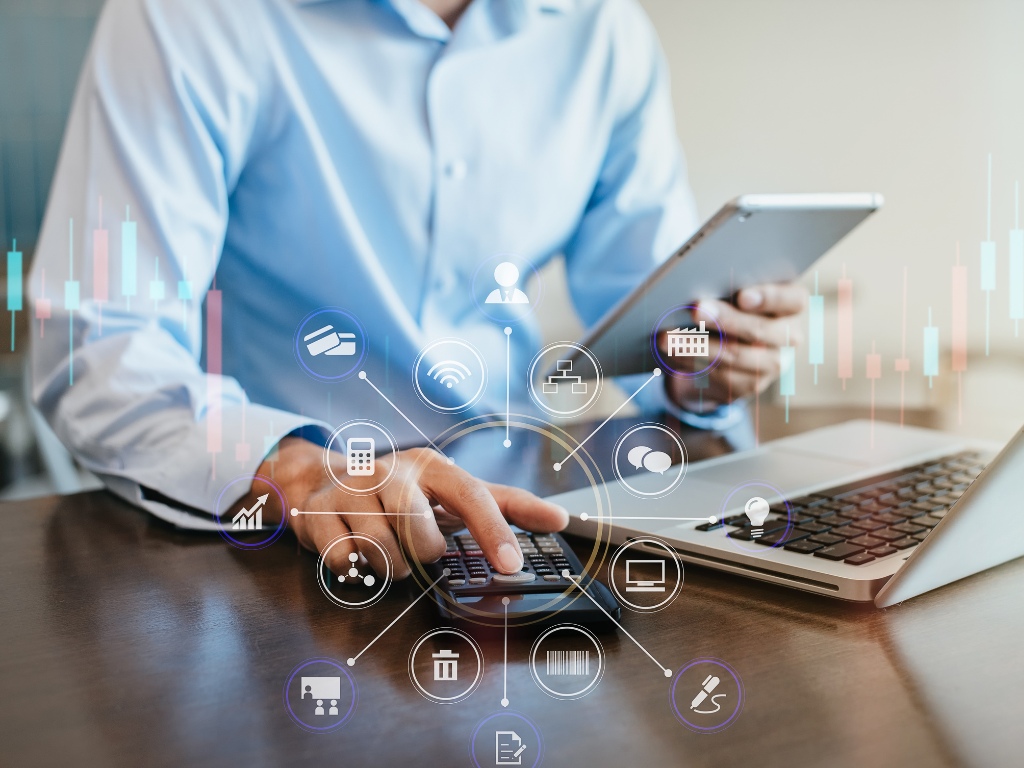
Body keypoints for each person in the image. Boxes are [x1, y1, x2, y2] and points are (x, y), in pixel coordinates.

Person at [30, 0, 807, 580]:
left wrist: (706, 368)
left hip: (521, 526)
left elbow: (654, 329)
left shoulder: (603, 32)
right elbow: (96, 345)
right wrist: (289, 463)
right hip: (271, 545)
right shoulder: (190, 17)